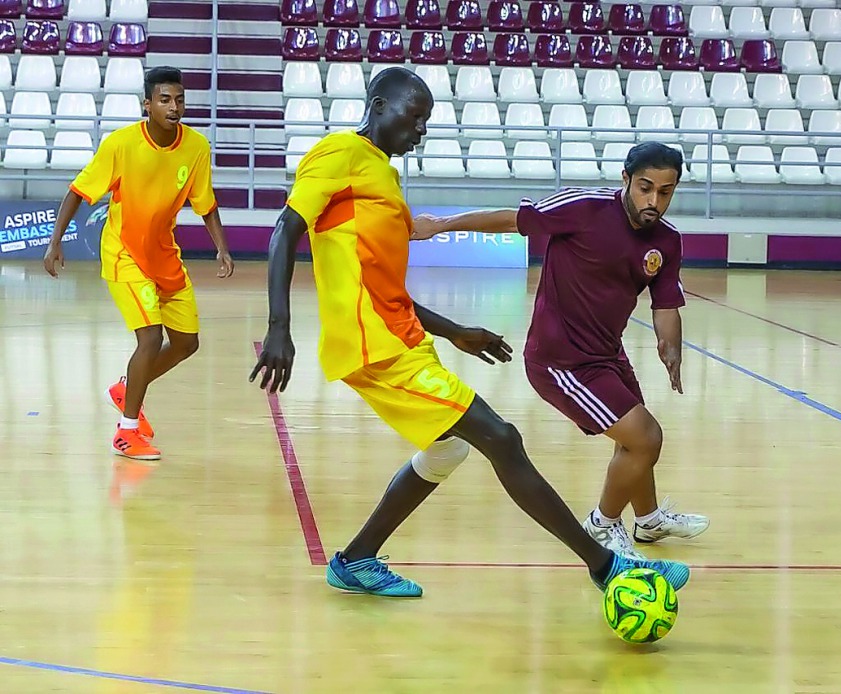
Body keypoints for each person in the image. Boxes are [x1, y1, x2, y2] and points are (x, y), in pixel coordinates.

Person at [249, 66, 690, 598]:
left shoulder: (382, 175)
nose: (421, 132)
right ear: (379, 104)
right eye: (414, 119)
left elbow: (378, 284)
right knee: (502, 439)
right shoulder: (339, 153)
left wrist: (455, 330)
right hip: (374, 347)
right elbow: (285, 228)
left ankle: (357, 560)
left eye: (426, 122)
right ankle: (606, 566)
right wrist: (279, 326)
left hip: (403, 337)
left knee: (447, 451)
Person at [411, 143, 708, 559]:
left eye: (665, 191)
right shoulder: (583, 208)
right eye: (645, 188)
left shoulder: (666, 241)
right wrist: (439, 225)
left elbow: (666, 304)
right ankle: (602, 525)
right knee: (645, 438)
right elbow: (511, 219)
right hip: (560, 363)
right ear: (625, 179)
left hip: (608, 356)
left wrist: (670, 346)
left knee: (634, 441)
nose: (654, 200)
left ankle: (648, 519)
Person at [43, 66, 233, 462]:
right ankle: (127, 433)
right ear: (147, 105)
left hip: (164, 254)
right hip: (124, 253)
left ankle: (126, 386)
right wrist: (55, 241)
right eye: (165, 99)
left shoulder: (196, 147)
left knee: (186, 343)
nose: (174, 106)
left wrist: (222, 247)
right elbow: (78, 191)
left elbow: (206, 203)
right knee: (150, 338)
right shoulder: (121, 144)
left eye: (179, 99)